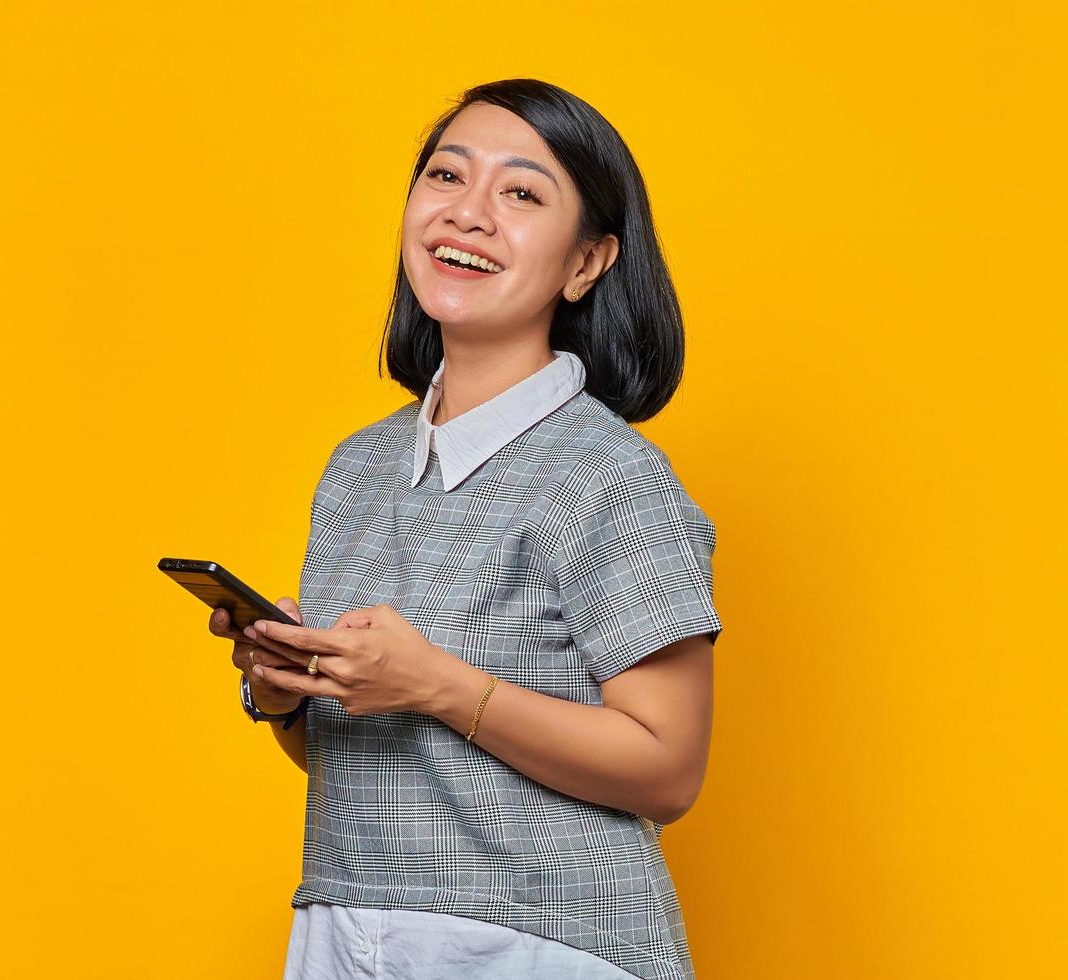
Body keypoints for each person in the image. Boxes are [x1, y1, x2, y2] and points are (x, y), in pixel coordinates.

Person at [209, 78, 723, 980]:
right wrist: (289, 692)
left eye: (522, 193)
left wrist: (441, 685)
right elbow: (379, 758)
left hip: (540, 945)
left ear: (587, 262)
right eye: (448, 176)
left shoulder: (609, 475)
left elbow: (667, 769)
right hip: (347, 926)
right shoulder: (357, 469)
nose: (470, 214)